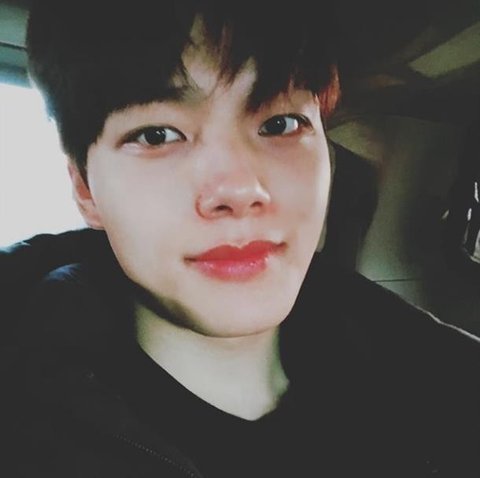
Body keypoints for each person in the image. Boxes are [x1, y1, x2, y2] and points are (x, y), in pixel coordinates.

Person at [1, 0, 480, 476]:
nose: (240, 191)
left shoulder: (449, 389)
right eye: (156, 135)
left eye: (280, 124)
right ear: (86, 190)